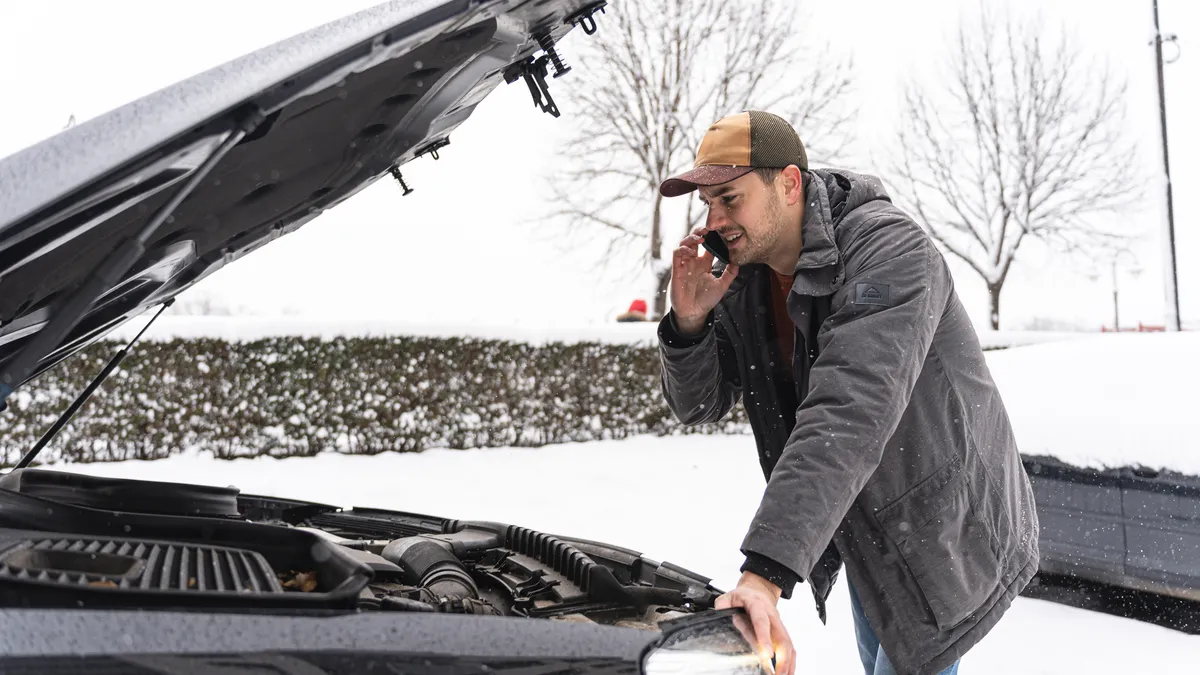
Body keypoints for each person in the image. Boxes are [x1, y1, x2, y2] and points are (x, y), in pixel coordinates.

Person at [656, 111, 1039, 675]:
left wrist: (764, 574)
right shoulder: (749, 279)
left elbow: (847, 411)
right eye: (707, 204)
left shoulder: (891, 253)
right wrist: (688, 324)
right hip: (863, 519)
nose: (715, 222)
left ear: (787, 183)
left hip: (943, 527)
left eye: (730, 200)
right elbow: (698, 405)